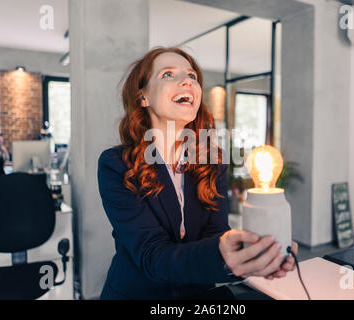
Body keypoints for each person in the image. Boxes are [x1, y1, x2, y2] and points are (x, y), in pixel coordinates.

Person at [97, 47, 298, 300]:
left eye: (192, 76)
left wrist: (249, 255)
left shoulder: (212, 162)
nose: (186, 81)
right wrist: (220, 255)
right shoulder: (117, 165)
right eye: (168, 74)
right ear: (143, 97)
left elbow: (216, 235)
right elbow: (152, 256)